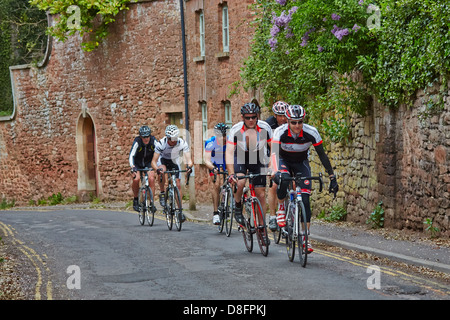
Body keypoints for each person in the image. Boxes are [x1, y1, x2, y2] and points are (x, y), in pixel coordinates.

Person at [271, 105, 339, 253]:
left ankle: (305, 237)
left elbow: (322, 155)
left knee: (306, 201)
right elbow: (274, 154)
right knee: (284, 178)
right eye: (293, 122)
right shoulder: (279, 132)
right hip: (284, 160)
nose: (297, 125)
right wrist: (275, 171)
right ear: (288, 121)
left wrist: (332, 176)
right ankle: (281, 208)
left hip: (301, 162)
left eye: (300, 122)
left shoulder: (311, 132)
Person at [226, 102, 272, 226]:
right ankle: (237, 205)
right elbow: (229, 153)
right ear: (243, 118)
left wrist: (272, 166)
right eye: (248, 117)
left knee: (261, 194)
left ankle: (262, 227)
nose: (251, 120)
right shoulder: (236, 130)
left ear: (257, 116)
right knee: (240, 182)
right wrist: (231, 174)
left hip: (258, 156)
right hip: (241, 155)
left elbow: (274, 148)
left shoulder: (265, 127)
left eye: (253, 117)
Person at [151, 125, 193, 215]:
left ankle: (180, 211)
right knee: (162, 170)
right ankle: (162, 193)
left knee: (177, 184)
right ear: (167, 137)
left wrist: (189, 167)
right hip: (162, 160)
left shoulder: (182, 143)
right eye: (171, 139)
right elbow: (153, 162)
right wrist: (157, 169)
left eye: (175, 138)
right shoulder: (161, 143)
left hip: (174, 160)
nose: (173, 141)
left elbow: (189, 160)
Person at [265, 101, 289, 231]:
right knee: (274, 184)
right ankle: (273, 216)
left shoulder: (291, 122)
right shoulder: (269, 125)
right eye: (280, 115)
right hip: (271, 154)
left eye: (285, 115)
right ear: (275, 115)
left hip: (287, 155)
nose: (283, 118)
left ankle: (291, 209)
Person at [204, 123, 229, 225]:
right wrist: (213, 168)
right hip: (214, 163)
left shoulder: (230, 141)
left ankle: (228, 200)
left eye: (224, 135)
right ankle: (215, 213)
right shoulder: (210, 142)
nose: (222, 138)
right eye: (220, 136)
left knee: (233, 179)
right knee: (216, 184)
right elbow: (206, 160)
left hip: (225, 161)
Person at [129, 125, 158, 212]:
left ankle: (152, 203)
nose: (146, 139)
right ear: (141, 137)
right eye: (144, 137)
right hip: (137, 164)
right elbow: (131, 155)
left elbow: (159, 152)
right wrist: (132, 166)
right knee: (136, 179)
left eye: (148, 136)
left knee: (151, 179)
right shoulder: (137, 141)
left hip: (148, 163)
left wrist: (158, 165)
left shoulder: (153, 140)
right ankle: (135, 199)